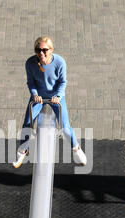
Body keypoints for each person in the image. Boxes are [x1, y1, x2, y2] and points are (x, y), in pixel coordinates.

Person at [13, 36, 87, 168]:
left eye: (44, 50)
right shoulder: (30, 63)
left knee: (65, 127)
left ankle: (76, 148)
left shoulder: (59, 62)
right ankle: (23, 150)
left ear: (51, 50)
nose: (41, 53)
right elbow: (31, 82)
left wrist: (58, 96)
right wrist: (35, 94)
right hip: (39, 97)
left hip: (55, 97)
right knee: (28, 123)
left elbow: (62, 82)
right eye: (38, 50)